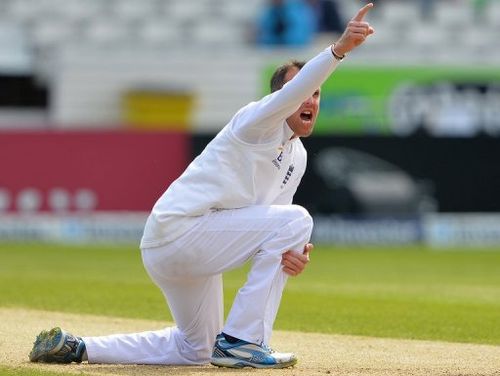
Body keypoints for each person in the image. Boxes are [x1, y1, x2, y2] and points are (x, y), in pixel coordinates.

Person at [28, 3, 375, 369]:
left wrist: (294, 251)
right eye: (305, 91)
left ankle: (78, 347)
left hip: (182, 248)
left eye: (318, 94)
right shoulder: (255, 121)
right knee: (297, 219)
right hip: (181, 230)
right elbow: (285, 219)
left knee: (195, 349)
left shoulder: (297, 156)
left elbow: (274, 221)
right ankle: (244, 342)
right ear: (276, 99)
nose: (311, 100)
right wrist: (338, 50)